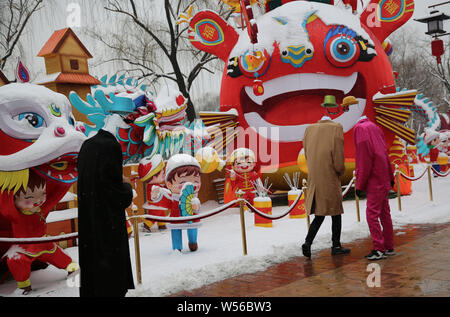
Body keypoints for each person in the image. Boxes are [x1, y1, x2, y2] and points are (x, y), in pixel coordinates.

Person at [77, 97, 135, 297]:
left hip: (90, 223)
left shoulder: (87, 145)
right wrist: (126, 188)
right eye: (128, 120)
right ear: (120, 119)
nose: (128, 126)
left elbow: (93, 183)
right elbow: (113, 191)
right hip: (108, 225)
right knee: (111, 283)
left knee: (94, 279)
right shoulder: (111, 146)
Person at [0, 169, 78, 295]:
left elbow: (57, 195)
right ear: (14, 199)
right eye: (29, 198)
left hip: (44, 243)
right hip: (23, 248)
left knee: (61, 257)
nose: (38, 200)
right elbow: (4, 200)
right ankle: (24, 286)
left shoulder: (42, 208)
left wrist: (69, 179)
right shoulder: (14, 214)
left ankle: (73, 269)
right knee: (14, 260)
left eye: (42, 194)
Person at [301, 106, 350, 259]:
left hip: (315, 177)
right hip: (330, 176)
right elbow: (338, 157)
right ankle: (336, 245)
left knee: (320, 214)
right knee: (336, 213)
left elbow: (307, 154)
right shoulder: (335, 129)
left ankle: (308, 242)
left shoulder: (309, 130)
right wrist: (341, 171)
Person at [353, 115, 395, 260]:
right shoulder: (375, 128)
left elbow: (364, 158)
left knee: (372, 215)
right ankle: (389, 246)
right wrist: (391, 176)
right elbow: (384, 152)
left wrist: (359, 184)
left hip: (374, 179)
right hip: (383, 177)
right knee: (384, 213)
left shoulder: (359, 129)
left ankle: (379, 248)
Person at [138, 154, 170, 231]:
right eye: (162, 173)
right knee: (155, 215)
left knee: (161, 214)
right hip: (155, 205)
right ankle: (147, 225)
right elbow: (157, 192)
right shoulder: (153, 186)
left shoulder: (154, 185)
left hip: (158, 204)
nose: (164, 173)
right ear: (154, 176)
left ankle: (162, 224)